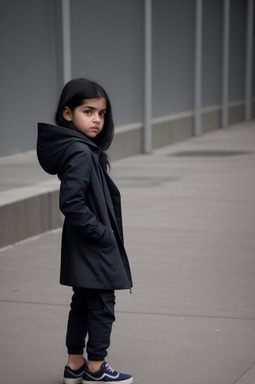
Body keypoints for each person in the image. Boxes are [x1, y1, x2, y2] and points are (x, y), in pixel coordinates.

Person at [37, 78, 133, 384]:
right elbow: (72, 203)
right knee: (103, 303)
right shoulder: (80, 152)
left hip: (84, 240)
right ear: (67, 114)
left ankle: (75, 364)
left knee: (82, 301)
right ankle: (95, 368)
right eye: (88, 111)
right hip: (92, 241)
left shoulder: (79, 149)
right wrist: (102, 234)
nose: (97, 120)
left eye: (102, 114)